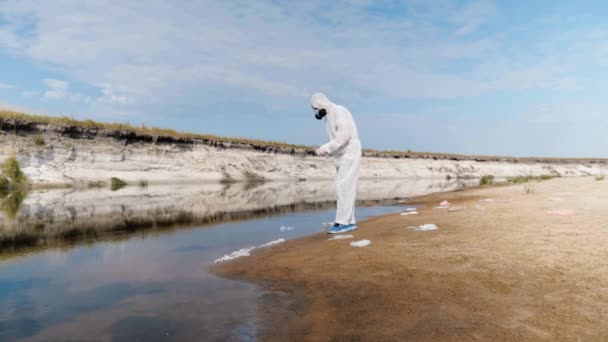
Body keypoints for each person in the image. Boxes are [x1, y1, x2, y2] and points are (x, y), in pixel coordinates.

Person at [311, 92, 362, 234]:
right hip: (342, 154)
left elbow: (343, 138)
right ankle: (349, 221)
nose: (316, 113)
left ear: (321, 104)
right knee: (345, 186)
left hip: (350, 152)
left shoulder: (340, 112)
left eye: (315, 108)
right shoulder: (329, 117)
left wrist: (325, 149)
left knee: (344, 187)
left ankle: (342, 223)